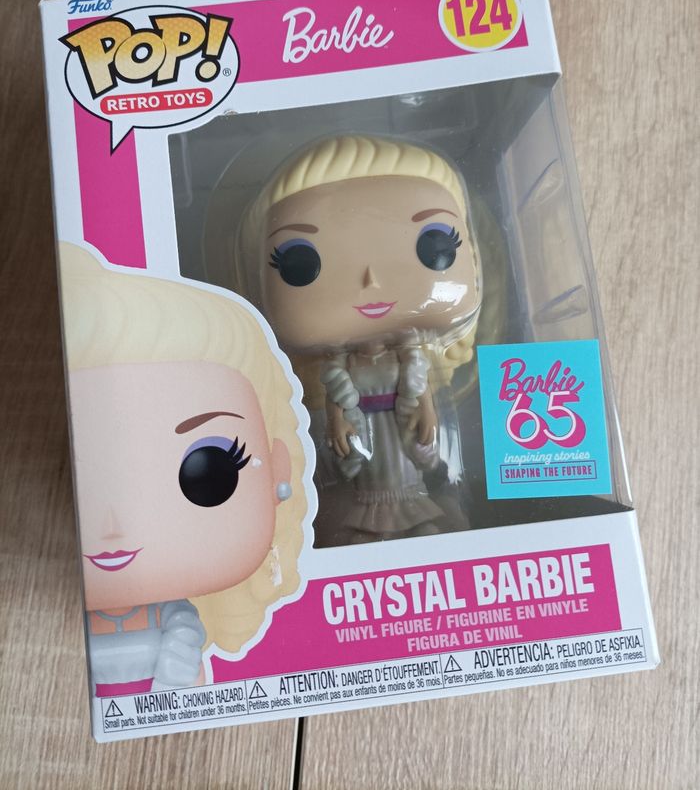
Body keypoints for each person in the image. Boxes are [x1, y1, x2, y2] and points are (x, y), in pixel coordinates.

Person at [60, 243, 312, 697]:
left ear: (278, 472)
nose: (114, 526)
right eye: (79, 483)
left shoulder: (176, 621)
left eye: (209, 471)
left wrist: (176, 678)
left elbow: (185, 674)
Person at [232, 135, 481, 544]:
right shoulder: (339, 369)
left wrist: (428, 414)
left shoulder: (410, 361)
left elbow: (420, 393)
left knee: (417, 503)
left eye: (434, 244)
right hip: (365, 443)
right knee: (365, 502)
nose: (371, 280)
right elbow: (335, 401)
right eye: (299, 263)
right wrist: (336, 422)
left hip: (399, 441)